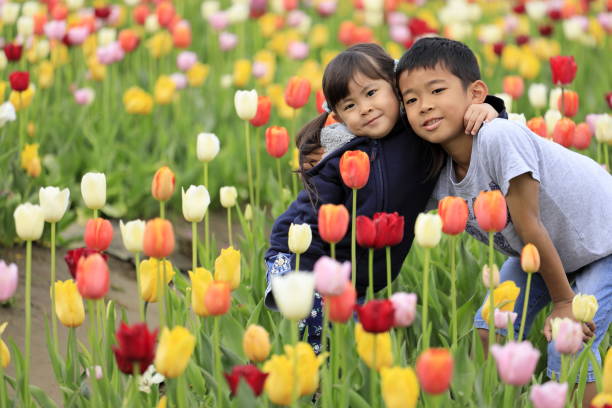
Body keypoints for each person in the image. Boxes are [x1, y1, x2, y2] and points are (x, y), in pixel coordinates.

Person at [396, 36, 612, 407]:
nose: (424, 105)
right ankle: (492, 400)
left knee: (569, 339)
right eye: (411, 100)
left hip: (602, 243)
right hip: (548, 249)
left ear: (476, 92)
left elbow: (529, 225)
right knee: (490, 326)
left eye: (436, 90)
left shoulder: (497, 136)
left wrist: (564, 302)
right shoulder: (435, 170)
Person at [264, 43, 506, 352]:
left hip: (360, 277)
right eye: (349, 106)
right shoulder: (340, 157)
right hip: (299, 254)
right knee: (318, 342)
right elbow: (311, 218)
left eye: (370, 93)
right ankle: (308, 387)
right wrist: (306, 276)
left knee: (350, 350)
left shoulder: (419, 131)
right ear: (338, 116)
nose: (364, 108)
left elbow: (459, 115)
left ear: (395, 89)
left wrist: (491, 109)